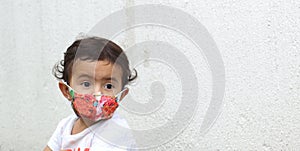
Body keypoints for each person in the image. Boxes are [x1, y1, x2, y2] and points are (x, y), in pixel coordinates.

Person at [44, 36, 137, 151]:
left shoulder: (115, 130)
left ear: (122, 95)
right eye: (86, 84)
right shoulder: (65, 126)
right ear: (66, 91)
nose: (97, 94)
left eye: (108, 86)